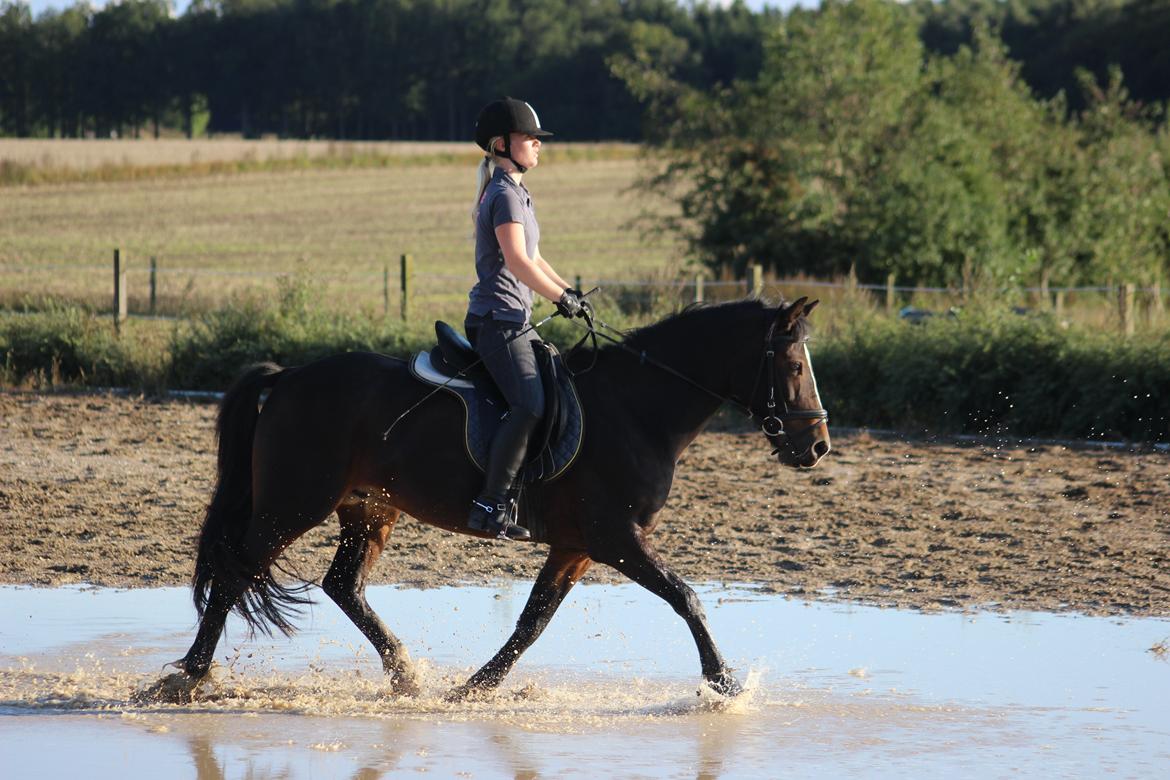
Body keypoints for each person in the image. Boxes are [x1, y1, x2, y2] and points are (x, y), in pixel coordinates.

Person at [464, 97, 588, 541]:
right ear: (502, 144)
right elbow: (517, 263)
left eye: (537, 139)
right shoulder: (503, 194)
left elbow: (535, 256)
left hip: (515, 319)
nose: (538, 144)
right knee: (529, 405)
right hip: (497, 320)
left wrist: (568, 292)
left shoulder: (517, 192)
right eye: (529, 138)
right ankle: (490, 503)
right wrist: (559, 297)